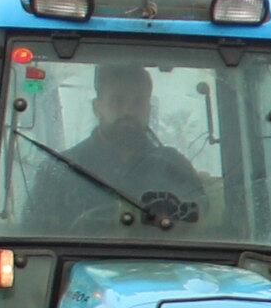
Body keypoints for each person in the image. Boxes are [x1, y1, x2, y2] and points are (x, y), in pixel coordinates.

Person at [33, 60, 206, 229]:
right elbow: (36, 238)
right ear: (97, 107)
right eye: (117, 101)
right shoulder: (60, 171)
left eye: (138, 102)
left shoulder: (175, 167)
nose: (128, 111)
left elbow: (204, 225)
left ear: (149, 109)